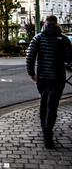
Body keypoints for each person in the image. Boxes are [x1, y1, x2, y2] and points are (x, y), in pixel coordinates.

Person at [26, 15, 72, 148]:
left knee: (44, 101)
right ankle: (48, 131)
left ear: (45, 23)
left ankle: (44, 128)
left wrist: (32, 73)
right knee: (53, 105)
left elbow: (30, 56)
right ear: (57, 24)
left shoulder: (38, 38)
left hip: (43, 77)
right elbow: (69, 59)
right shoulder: (63, 39)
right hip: (58, 78)